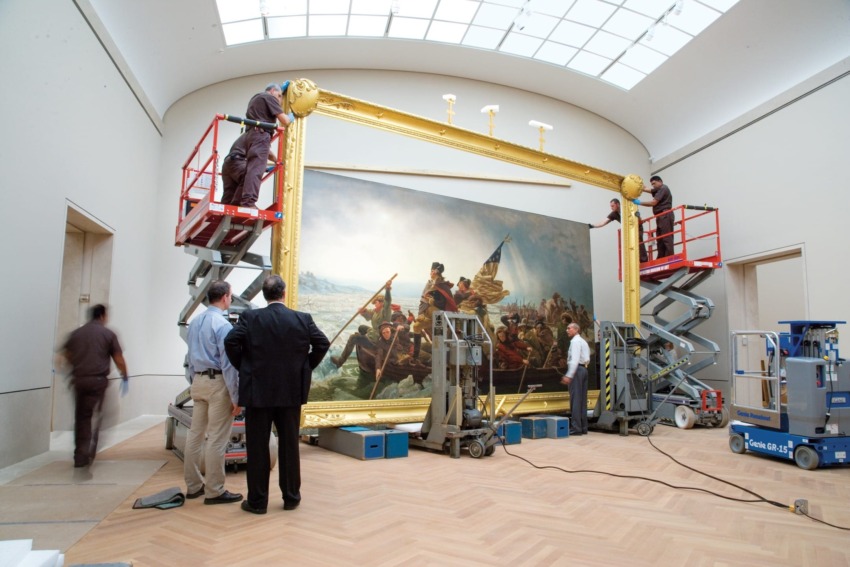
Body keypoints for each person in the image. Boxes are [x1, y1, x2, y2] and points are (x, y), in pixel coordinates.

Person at [224, 275, 329, 515]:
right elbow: (322, 344)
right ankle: (291, 498)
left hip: (257, 392)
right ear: (284, 293)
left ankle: (257, 502)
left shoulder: (250, 317)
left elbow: (230, 342)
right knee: (290, 445)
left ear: (264, 296)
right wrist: (304, 367)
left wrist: (245, 368)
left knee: (258, 447)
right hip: (290, 392)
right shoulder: (302, 318)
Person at [183, 280, 243, 505]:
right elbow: (228, 365)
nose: (231, 299)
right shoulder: (223, 325)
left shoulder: (195, 322)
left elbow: (190, 358)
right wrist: (236, 397)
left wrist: (194, 381)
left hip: (198, 381)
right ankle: (215, 491)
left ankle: (193, 486)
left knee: (195, 436)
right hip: (218, 383)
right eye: (231, 295)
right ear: (225, 297)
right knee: (217, 439)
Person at [59, 304, 128, 468]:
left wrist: (71, 372)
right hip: (97, 382)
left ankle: (80, 455)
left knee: (82, 417)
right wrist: (125, 376)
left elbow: (63, 358)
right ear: (102, 316)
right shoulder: (108, 334)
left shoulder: (76, 334)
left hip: (79, 381)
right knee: (98, 415)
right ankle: (91, 447)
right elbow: (118, 359)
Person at [234, 82, 293, 208]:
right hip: (260, 134)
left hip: (252, 136)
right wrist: (293, 115)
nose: (279, 101)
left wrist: (276, 159)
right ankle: (248, 202)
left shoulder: (256, 99)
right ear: (272, 91)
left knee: (251, 169)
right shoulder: (269, 97)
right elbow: (285, 120)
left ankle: (237, 202)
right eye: (279, 96)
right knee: (257, 169)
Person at [589, 198, 648, 263]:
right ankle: (633, 261)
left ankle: (643, 259)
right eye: (611, 206)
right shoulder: (614, 214)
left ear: (617, 204)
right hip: (628, 230)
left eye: (612, 206)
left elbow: (636, 213)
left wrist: (638, 218)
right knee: (629, 244)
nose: (611, 208)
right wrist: (592, 226)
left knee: (638, 240)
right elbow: (604, 222)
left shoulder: (626, 208)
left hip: (637, 227)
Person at [561, 323, 590, 436]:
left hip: (577, 371)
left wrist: (569, 375)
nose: (567, 330)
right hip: (584, 370)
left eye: (569, 328)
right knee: (582, 400)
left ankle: (576, 428)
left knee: (575, 400)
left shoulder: (575, 342)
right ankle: (583, 427)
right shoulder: (583, 341)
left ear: (576, 329)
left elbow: (574, 360)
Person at [633, 175, 674, 259]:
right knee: (660, 237)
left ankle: (669, 256)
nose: (653, 186)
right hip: (660, 216)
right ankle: (661, 257)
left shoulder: (663, 188)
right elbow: (646, 189)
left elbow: (653, 203)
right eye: (652, 184)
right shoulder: (658, 189)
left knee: (666, 237)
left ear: (660, 181)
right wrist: (637, 184)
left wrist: (639, 202)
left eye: (654, 183)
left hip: (665, 215)